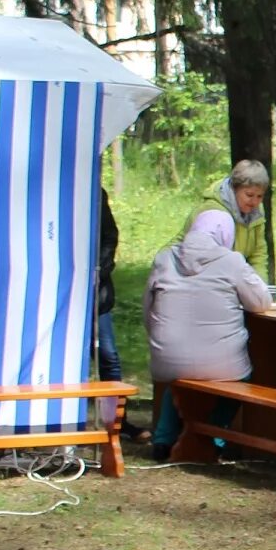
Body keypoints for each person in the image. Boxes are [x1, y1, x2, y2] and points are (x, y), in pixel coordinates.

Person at [145, 210, 274, 461]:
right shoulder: (231, 261)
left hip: (167, 356)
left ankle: (163, 440)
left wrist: (158, 338)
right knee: (240, 380)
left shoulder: (164, 259)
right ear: (225, 234)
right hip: (222, 363)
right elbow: (261, 302)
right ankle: (214, 438)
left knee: (180, 378)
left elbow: (148, 308)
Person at [94, 188, 150, 445]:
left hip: (97, 292)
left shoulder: (96, 191)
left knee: (108, 356)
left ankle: (117, 422)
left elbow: (109, 236)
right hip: (62, 293)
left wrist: (100, 271)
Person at [180, 160, 273, 279]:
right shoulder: (213, 213)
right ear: (234, 189)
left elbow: (258, 253)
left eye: (259, 196)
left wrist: (260, 285)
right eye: (249, 195)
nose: (255, 201)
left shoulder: (256, 211)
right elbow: (202, 260)